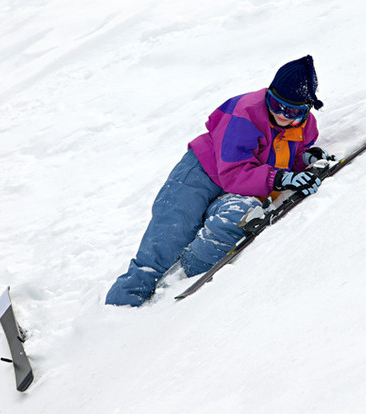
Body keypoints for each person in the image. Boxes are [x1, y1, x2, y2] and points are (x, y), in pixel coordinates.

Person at [106, 55, 331, 307]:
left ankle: (187, 273)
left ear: (307, 109)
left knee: (235, 217)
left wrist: (307, 159)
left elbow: (289, 156)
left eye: (292, 111)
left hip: (242, 186)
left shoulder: (304, 126)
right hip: (199, 175)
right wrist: (282, 178)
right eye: (276, 105)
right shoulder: (245, 114)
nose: (281, 115)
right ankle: (121, 307)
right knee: (165, 241)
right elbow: (233, 172)